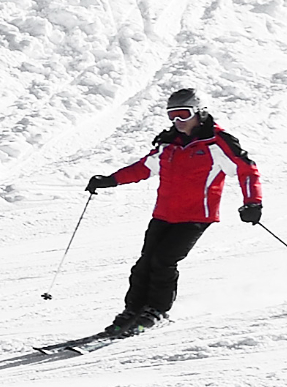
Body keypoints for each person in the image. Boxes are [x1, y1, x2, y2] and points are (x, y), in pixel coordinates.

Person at [84, 87, 263, 339]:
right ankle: (133, 310)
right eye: (172, 115)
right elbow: (143, 168)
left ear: (199, 112)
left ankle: (157, 311)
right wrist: (110, 180)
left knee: (164, 261)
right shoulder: (167, 143)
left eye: (183, 114)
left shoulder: (217, 142)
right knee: (144, 263)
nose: (177, 121)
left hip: (196, 216)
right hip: (164, 213)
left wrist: (253, 202)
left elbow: (247, 170)